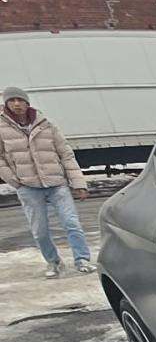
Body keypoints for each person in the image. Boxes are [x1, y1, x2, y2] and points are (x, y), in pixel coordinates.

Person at [1, 86, 93, 277]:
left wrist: (79, 184)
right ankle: (53, 263)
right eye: (12, 100)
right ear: (6, 104)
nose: (17, 104)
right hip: (28, 187)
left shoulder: (46, 124)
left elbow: (66, 155)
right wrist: (15, 180)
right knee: (40, 231)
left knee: (72, 223)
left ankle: (82, 259)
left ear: (27, 103)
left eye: (21, 100)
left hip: (57, 184)